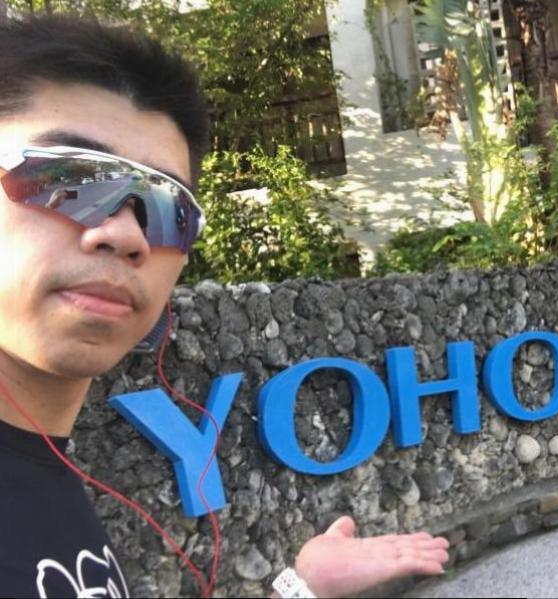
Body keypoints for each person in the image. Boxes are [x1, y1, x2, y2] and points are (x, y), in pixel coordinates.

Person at [0, 15, 449, 599]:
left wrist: (302, 587)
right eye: (70, 179)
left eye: (167, 211)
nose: (127, 235)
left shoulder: (40, 469)